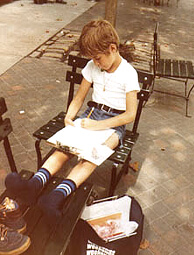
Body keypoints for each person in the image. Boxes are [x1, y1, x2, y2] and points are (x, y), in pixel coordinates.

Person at [4, 19, 140, 222]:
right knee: (63, 148)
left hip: (113, 125)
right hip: (90, 116)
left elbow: (130, 115)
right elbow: (79, 98)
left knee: (92, 156)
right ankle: (34, 185)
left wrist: (98, 126)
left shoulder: (128, 74)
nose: (96, 63)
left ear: (113, 48)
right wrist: (69, 116)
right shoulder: (93, 67)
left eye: (98, 58)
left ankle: (56, 197)